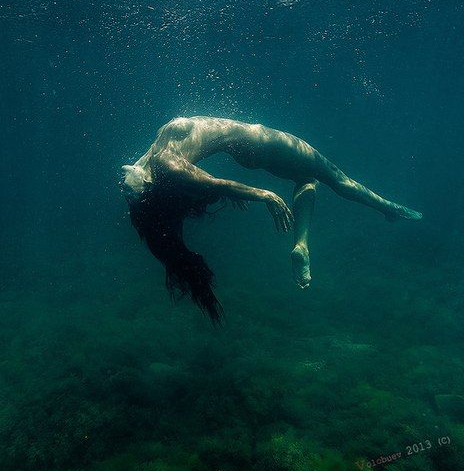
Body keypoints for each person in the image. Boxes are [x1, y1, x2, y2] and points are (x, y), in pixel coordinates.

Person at [122, 116, 422, 323]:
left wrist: (225, 191)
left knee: (307, 180)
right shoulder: (164, 164)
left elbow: (189, 184)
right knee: (334, 178)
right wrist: (264, 195)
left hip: (245, 149)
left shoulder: (143, 167)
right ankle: (388, 208)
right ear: (150, 184)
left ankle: (304, 244)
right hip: (259, 141)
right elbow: (213, 183)